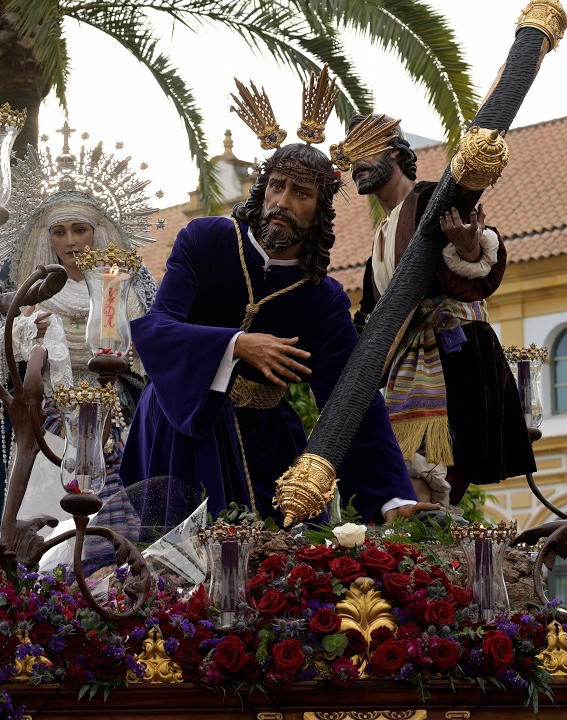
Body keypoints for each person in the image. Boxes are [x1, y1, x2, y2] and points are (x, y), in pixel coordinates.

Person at [120, 142, 434, 525]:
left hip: (267, 445)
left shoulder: (322, 298)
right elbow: (156, 329)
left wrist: (392, 498)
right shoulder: (206, 241)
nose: (283, 202)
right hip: (184, 422)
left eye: (301, 193)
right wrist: (235, 345)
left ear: (319, 210)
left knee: (288, 550)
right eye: (277, 186)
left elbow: (352, 399)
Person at [0, 149, 158, 558]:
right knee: (47, 507)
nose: (70, 241)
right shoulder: (28, 283)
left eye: (79, 229)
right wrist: (23, 332)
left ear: (97, 232)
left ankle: (114, 563)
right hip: (46, 411)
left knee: (119, 490)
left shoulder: (125, 285)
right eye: (59, 232)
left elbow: (157, 340)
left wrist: (136, 349)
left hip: (113, 409)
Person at [349, 114, 536, 506]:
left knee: (425, 486)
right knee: (411, 487)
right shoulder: (381, 237)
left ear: (395, 153)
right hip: (410, 368)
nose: (356, 163)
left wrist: (469, 247)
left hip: (455, 356)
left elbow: (475, 241)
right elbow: (369, 318)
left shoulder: (435, 199)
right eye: (350, 154)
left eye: (365, 150)